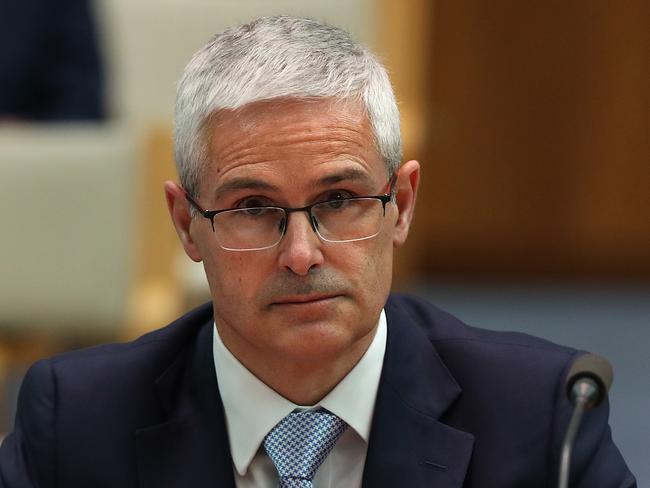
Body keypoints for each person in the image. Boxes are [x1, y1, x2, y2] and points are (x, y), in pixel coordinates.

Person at [0, 15, 635, 488]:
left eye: (338, 201)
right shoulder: (76, 420)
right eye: (252, 208)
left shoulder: (546, 416)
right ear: (187, 224)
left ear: (402, 204)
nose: (301, 254)